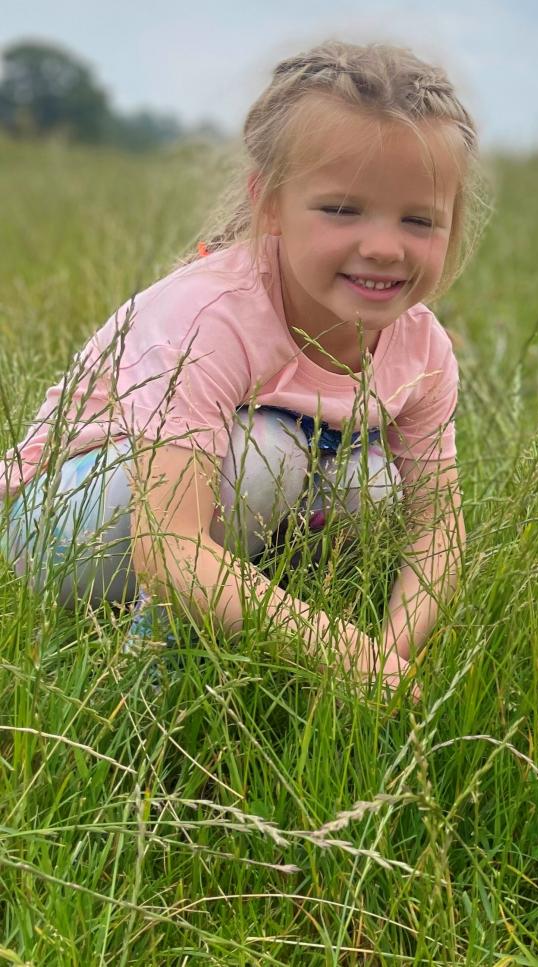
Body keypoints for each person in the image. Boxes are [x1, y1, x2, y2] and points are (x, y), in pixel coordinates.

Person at [1, 41, 483, 694]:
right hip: (61, 524)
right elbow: (167, 549)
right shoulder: (213, 312)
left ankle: (260, 638)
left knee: (376, 492)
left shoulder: (422, 349)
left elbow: (438, 530)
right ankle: (148, 697)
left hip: (217, 515)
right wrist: (338, 648)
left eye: (419, 220)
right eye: (342, 209)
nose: (382, 246)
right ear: (271, 203)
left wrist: (386, 656)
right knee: (269, 456)